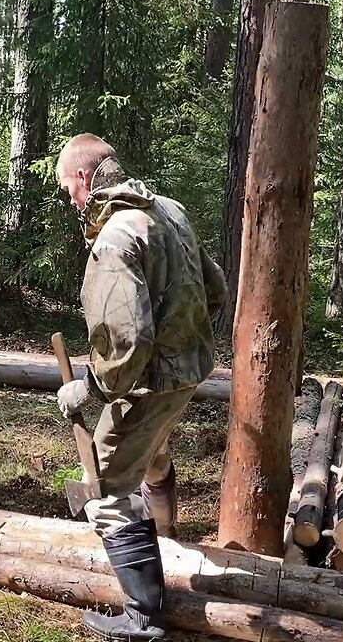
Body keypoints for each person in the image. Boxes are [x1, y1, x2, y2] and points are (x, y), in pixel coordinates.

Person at [54, 133, 226, 640]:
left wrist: (92, 386)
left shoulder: (115, 237)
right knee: (153, 450)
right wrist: (183, 341)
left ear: (85, 179)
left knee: (106, 484)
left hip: (150, 382)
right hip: (188, 372)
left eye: (69, 189)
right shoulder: (170, 210)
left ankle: (143, 614)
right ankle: (166, 534)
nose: (70, 200)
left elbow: (123, 340)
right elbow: (214, 289)